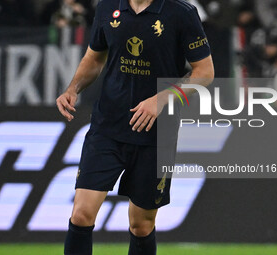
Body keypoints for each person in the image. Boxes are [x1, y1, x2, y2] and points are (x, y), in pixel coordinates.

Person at [56, 0, 214, 254]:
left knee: (141, 224)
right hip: (107, 127)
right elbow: (95, 57)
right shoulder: (108, 7)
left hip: (156, 133)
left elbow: (204, 72)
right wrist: (72, 89)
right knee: (81, 214)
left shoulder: (181, 12)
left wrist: (161, 98)